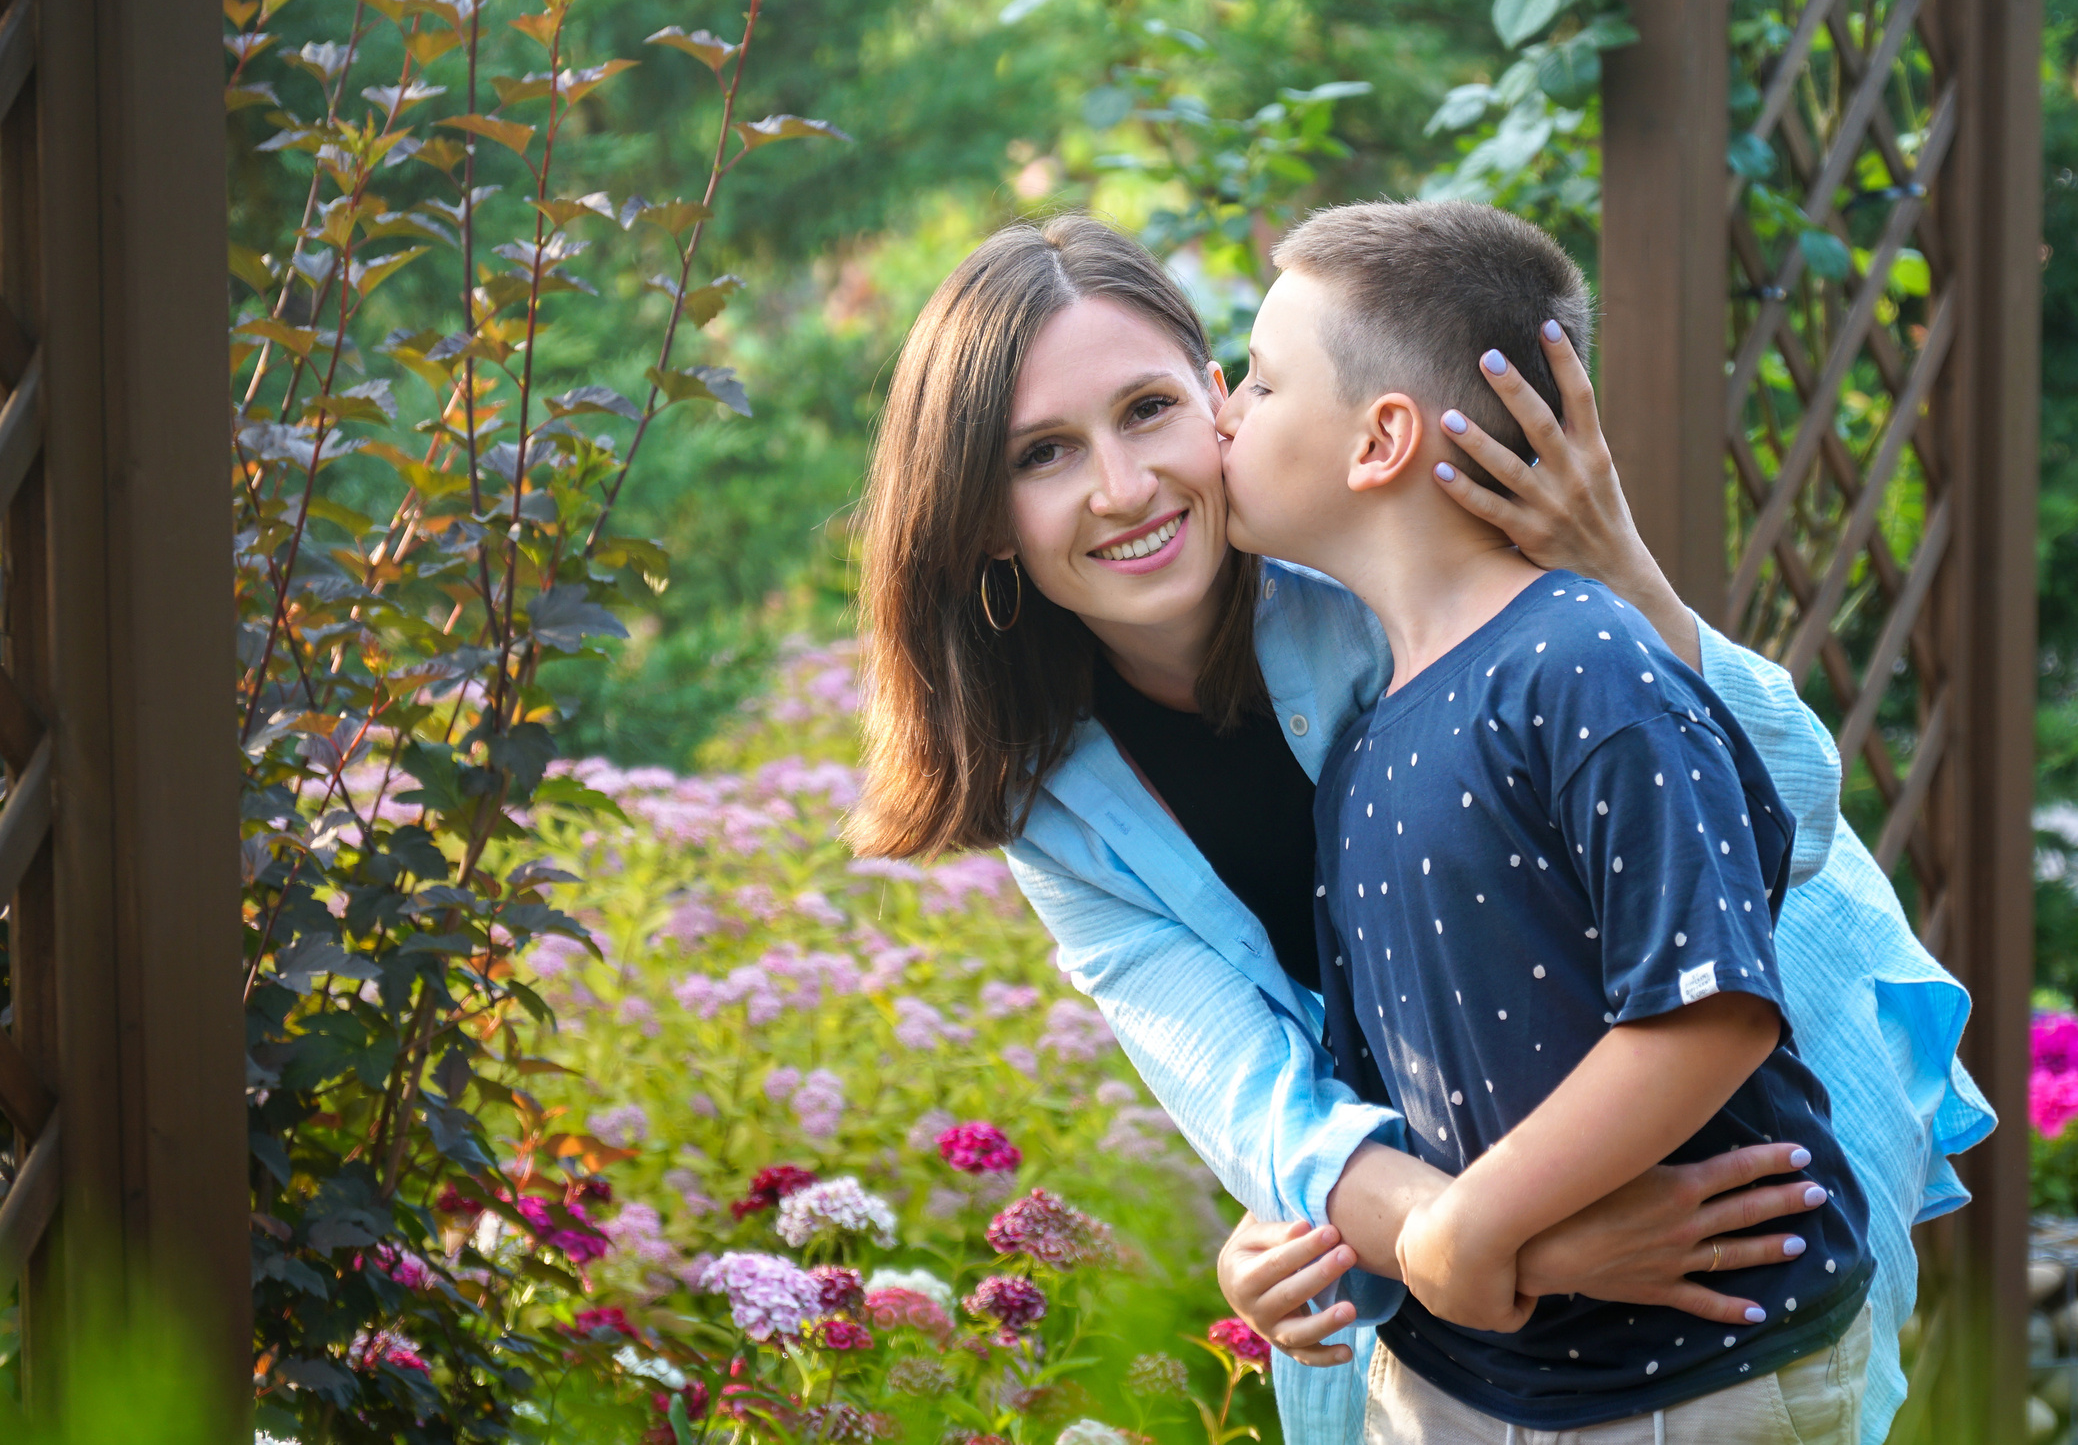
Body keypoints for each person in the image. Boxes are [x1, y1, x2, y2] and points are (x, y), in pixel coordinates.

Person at [849, 216, 1991, 1445]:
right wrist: (1487, 1242)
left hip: (1716, 1182)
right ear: (979, 517)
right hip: (1470, 1318)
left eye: (1145, 411)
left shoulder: (1370, 543)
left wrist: (1627, 578)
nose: (1121, 488)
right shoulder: (1053, 804)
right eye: (1043, 455)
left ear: (1217, 399)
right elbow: (1253, 1095)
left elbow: (1791, 815)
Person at [1216, 200, 1870, 1441]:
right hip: (1455, 1382)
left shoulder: (1580, 663)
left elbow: (1712, 1004)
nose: (1223, 412)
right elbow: (1390, 1091)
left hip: (1702, 1381)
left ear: (1380, 440)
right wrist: (1300, 1239)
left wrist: (1467, 1228)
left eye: (1256, 380)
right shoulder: (1361, 748)